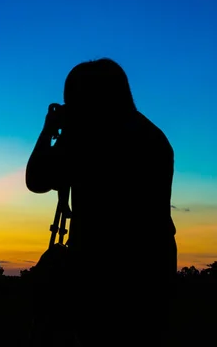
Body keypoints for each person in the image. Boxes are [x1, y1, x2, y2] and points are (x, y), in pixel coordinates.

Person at [25, 58, 178, 346]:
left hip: (101, 272)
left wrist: (49, 131)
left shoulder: (91, 139)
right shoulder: (153, 136)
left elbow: (36, 179)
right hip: (154, 266)